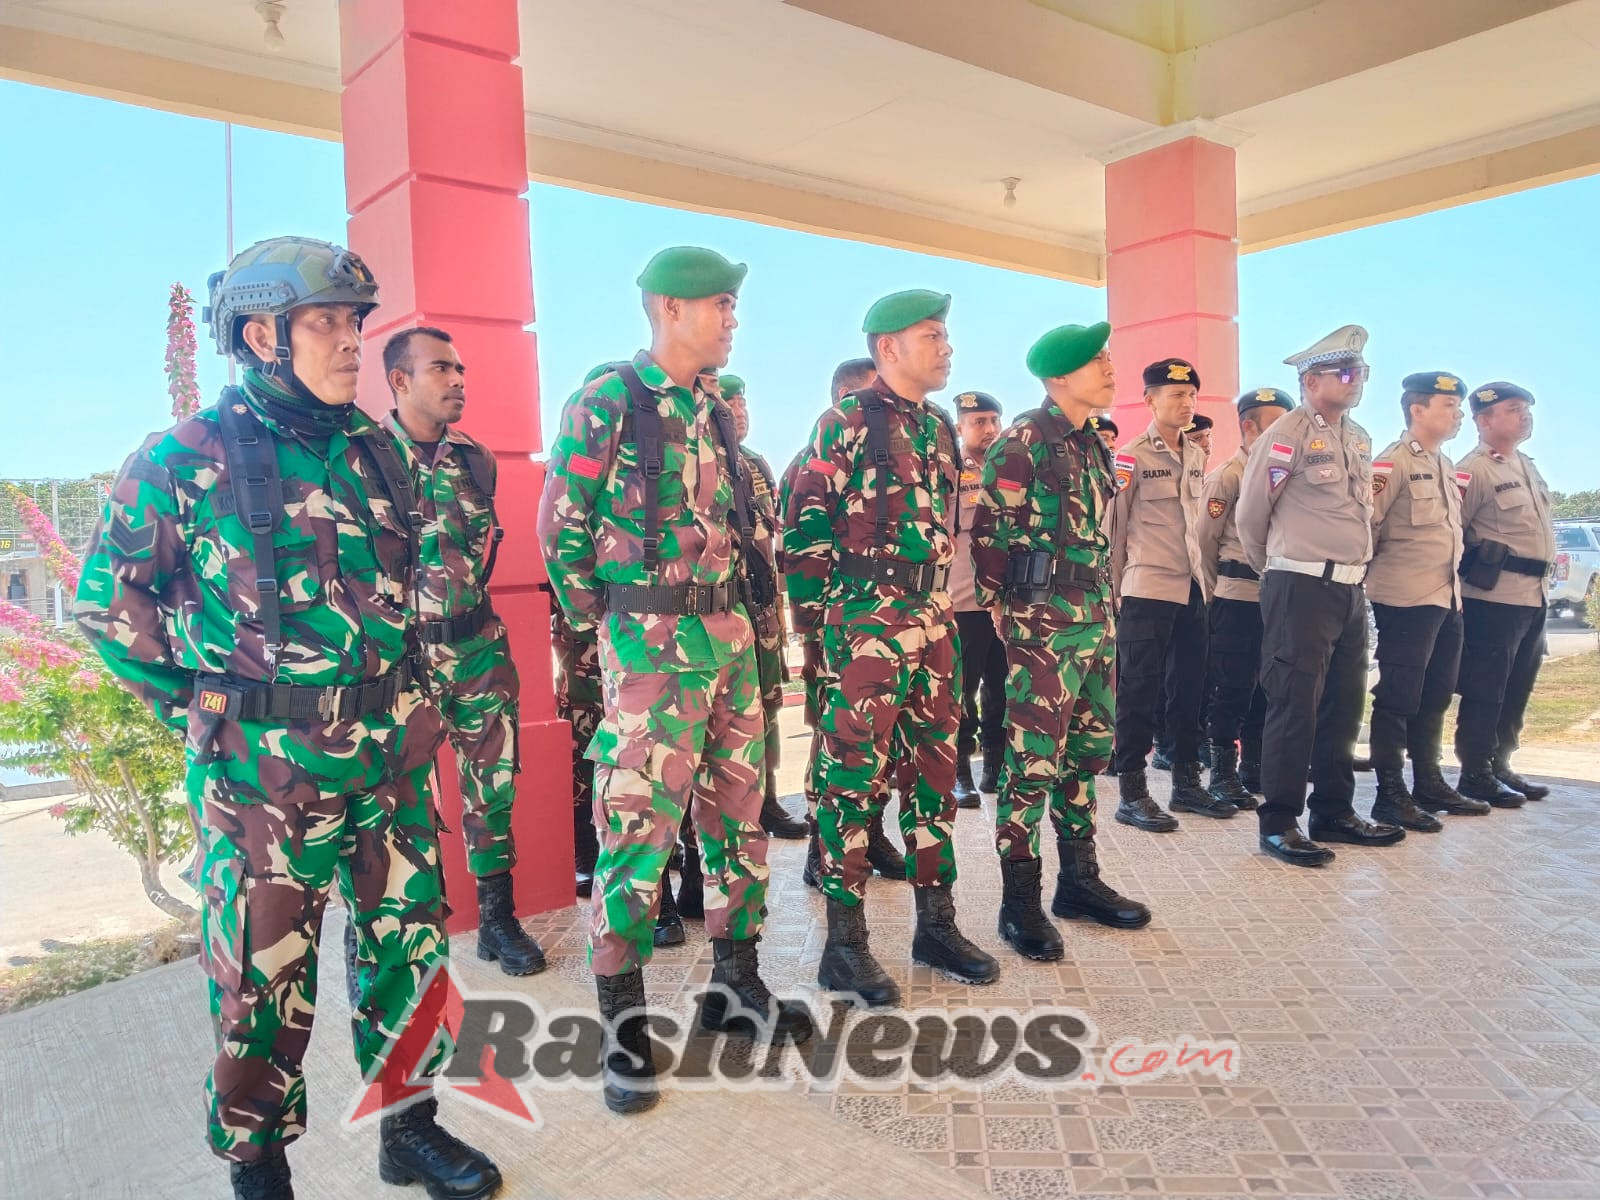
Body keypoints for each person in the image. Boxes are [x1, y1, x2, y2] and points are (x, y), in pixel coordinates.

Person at [74, 237, 500, 1199]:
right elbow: (109, 603)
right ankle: (258, 1160)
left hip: (387, 754)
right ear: (261, 334)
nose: (353, 342)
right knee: (263, 978)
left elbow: (412, 588)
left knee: (412, 949)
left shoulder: (375, 446)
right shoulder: (184, 458)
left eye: (356, 322)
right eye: (328, 323)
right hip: (264, 774)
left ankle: (410, 1130)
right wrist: (207, 705)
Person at [538, 246, 811, 1116]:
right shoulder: (610, 398)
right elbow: (560, 527)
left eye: (732, 304)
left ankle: (736, 989)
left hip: (729, 643)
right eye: (719, 304)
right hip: (653, 653)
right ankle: (623, 1031)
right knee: (637, 830)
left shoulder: (713, 411)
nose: (732, 318)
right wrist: (611, 626)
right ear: (667, 308)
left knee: (738, 818)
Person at [784, 289, 999, 1007]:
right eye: (931, 336)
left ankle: (936, 922)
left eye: (946, 335)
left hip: (935, 616)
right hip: (866, 625)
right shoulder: (844, 422)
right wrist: (834, 629)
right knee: (851, 777)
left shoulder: (937, 427)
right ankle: (845, 945)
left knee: (938, 767)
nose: (946, 347)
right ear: (888, 349)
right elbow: (804, 533)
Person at [972, 322, 1152, 960]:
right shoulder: (1024, 441)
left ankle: (1079, 882)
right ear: (1058, 378)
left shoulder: (1093, 445)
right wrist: (1005, 612)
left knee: (1088, 752)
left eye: (1107, 357)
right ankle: (1019, 901)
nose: (1109, 368)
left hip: (1096, 617)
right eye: (1095, 361)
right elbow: (989, 538)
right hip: (1043, 620)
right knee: (1030, 766)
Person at [380, 325, 546, 973]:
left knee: (493, 788)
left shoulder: (476, 459)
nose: (458, 382)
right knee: (403, 802)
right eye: (442, 370)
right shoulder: (363, 460)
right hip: (399, 665)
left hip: (477, 650)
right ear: (400, 381)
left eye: (461, 371)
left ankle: (497, 921)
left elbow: (483, 554)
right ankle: (410, 935)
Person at [1236, 324, 1405, 866]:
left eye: (1361, 373)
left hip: (1350, 589)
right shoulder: (1285, 434)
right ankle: (1280, 822)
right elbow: (1250, 515)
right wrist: (1277, 570)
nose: (1356, 382)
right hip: (1300, 584)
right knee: (1294, 706)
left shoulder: (1355, 437)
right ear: (1311, 381)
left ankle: (1333, 810)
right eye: (1345, 373)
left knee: (1343, 703)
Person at [781, 358, 907, 888]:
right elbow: (802, 544)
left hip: (894, 622)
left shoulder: (900, 450)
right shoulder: (815, 458)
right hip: (841, 623)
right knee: (839, 739)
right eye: (866, 395)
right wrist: (814, 625)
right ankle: (822, 842)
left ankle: (872, 832)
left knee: (887, 735)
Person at [1108, 358, 1232, 829]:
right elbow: (1114, 529)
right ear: (1150, 400)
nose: (1186, 404)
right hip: (1146, 589)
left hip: (1192, 589)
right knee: (1138, 690)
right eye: (1176, 395)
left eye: (1191, 396)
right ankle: (1133, 791)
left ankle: (1186, 785)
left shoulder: (1198, 457)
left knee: (1189, 690)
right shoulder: (1131, 456)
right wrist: (1116, 591)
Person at [1366, 373, 1488, 826]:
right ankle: (1389, 791)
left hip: (1444, 598)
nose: (1458, 414)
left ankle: (1428, 782)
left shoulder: (1444, 463)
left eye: (1458, 406)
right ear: (1418, 410)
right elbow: (1368, 529)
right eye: (1448, 405)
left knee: (1435, 694)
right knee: (1398, 696)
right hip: (1404, 599)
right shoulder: (1392, 464)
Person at [1452, 381, 1556, 806]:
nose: (1524, 415)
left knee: (1517, 685)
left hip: (1533, 596)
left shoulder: (1525, 465)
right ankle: (1474, 771)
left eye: (1527, 408)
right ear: (1483, 419)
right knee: (1485, 687)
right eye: (1514, 409)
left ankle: (1500, 763)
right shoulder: (1474, 469)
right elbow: (1451, 532)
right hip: (1492, 598)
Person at [718, 372, 808, 840]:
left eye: (744, 403)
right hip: (715, 607)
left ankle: (768, 800)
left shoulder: (756, 464)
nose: (740, 411)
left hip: (761, 607)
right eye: (730, 402)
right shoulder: (699, 458)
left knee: (767, 708)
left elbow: (771, 542)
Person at [1196, 388, 1295, 808]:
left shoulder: (1288, 475)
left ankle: (1255, 767)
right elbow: (1203, 544)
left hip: (1278, 597)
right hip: (1236, 597)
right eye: (1275, 424)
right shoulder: (1228, 477)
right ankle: (1221, 772)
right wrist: (1215, 595)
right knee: (1232, 686)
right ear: (1249, 427)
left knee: (1268, 688)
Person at [949, 389, 1008, 807]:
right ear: (960, 427)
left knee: (1002, 688)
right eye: (978, 422)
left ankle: (996, 765)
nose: (988, 430)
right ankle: (959, 771)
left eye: (993, 421)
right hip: (965, 600)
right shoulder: (949, 470)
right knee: (961, 690)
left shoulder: (1009, 467)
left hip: (1004, 601)